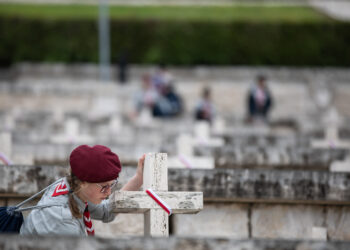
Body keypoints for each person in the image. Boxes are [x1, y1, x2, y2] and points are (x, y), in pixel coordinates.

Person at [20, 145, 145, 236]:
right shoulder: (63, 220)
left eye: (112, 185)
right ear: (84, 182)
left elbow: (107, 211)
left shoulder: (75, 189)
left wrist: (138, 179)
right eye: (104, 187)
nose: (108, 193)